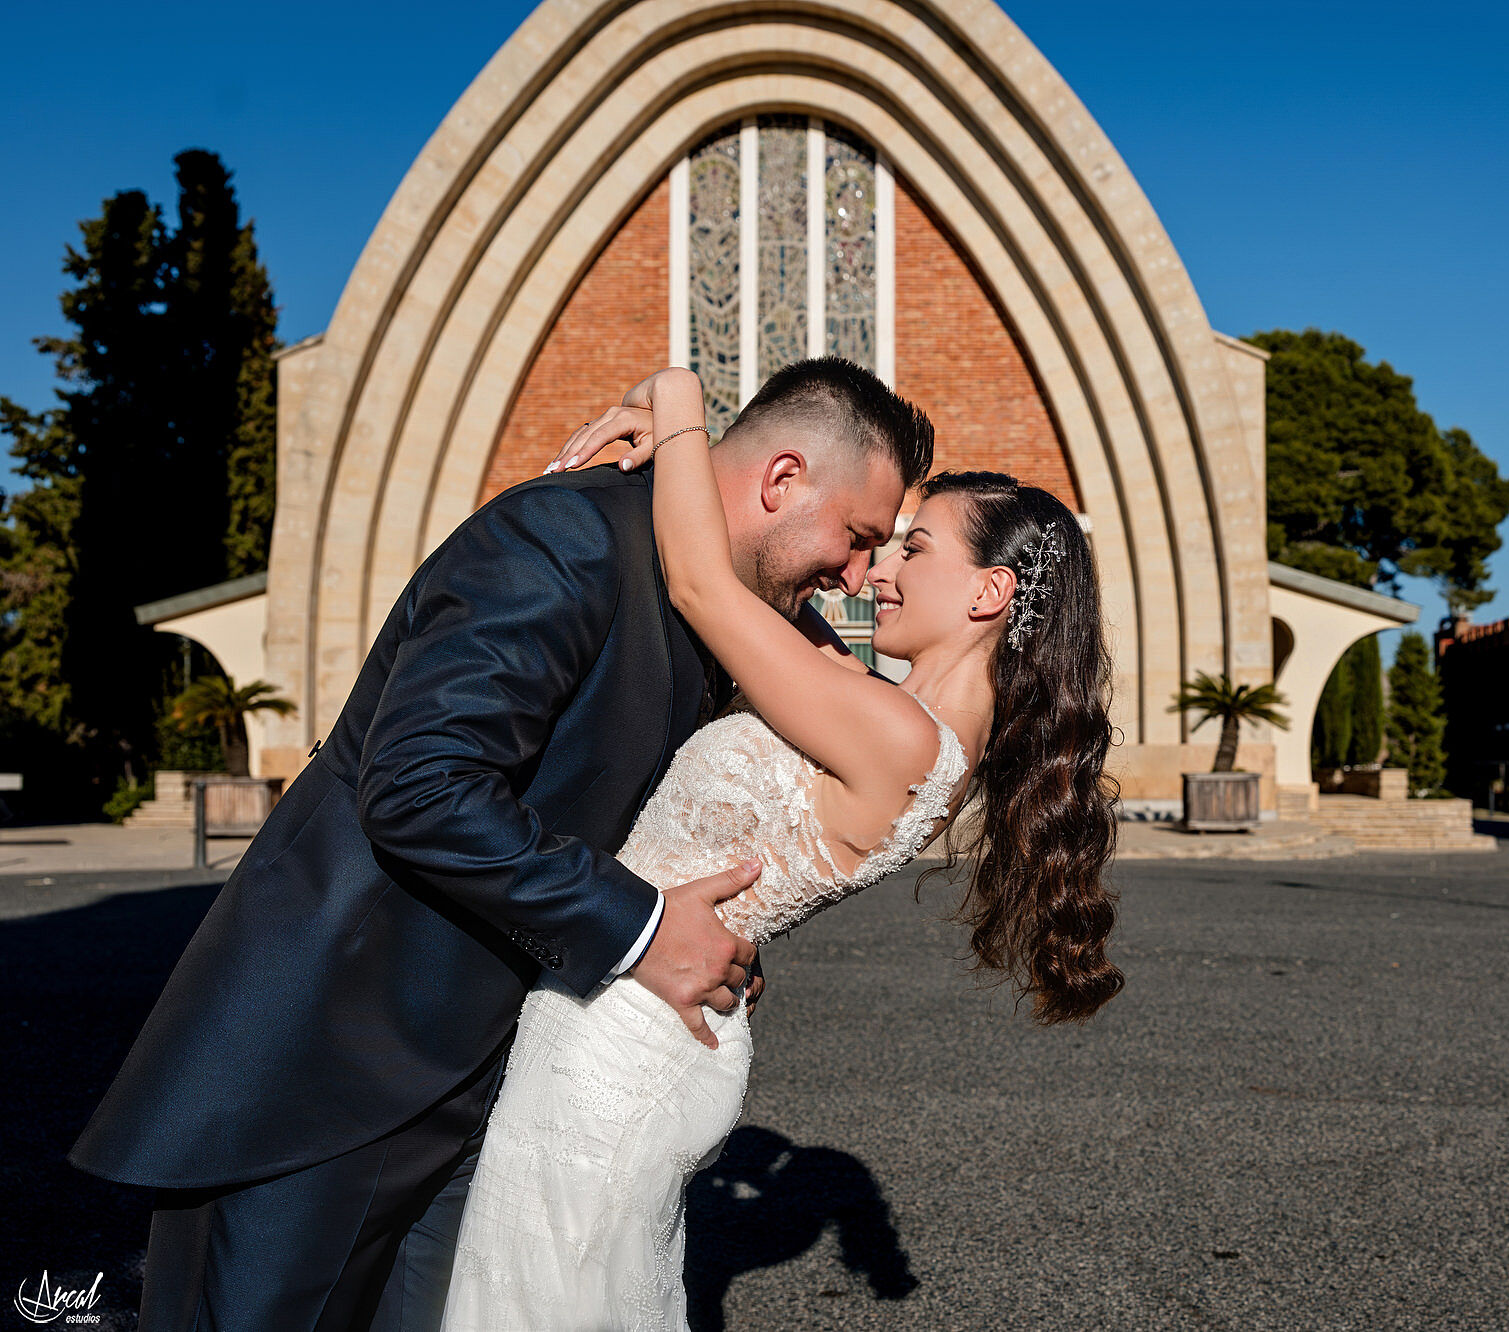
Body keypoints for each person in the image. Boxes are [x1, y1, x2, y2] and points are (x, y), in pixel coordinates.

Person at [67, 356, 924, 1330]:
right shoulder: (562, 537)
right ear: (780, 479)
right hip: (331, 1079)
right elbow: (422, 786)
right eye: (856, 539)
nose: (857, 577)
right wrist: (645, 929)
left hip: (485, 1088)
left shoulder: (714, 606)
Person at [439, 364, 1124, 1327]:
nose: (875, 571)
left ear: (989, 593)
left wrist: (674, 400)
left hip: (618, 1041)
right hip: (641, 1013)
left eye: (911, 549)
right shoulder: (898, 721)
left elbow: (701, 584)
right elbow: (774, 608)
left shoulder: (894, 736)